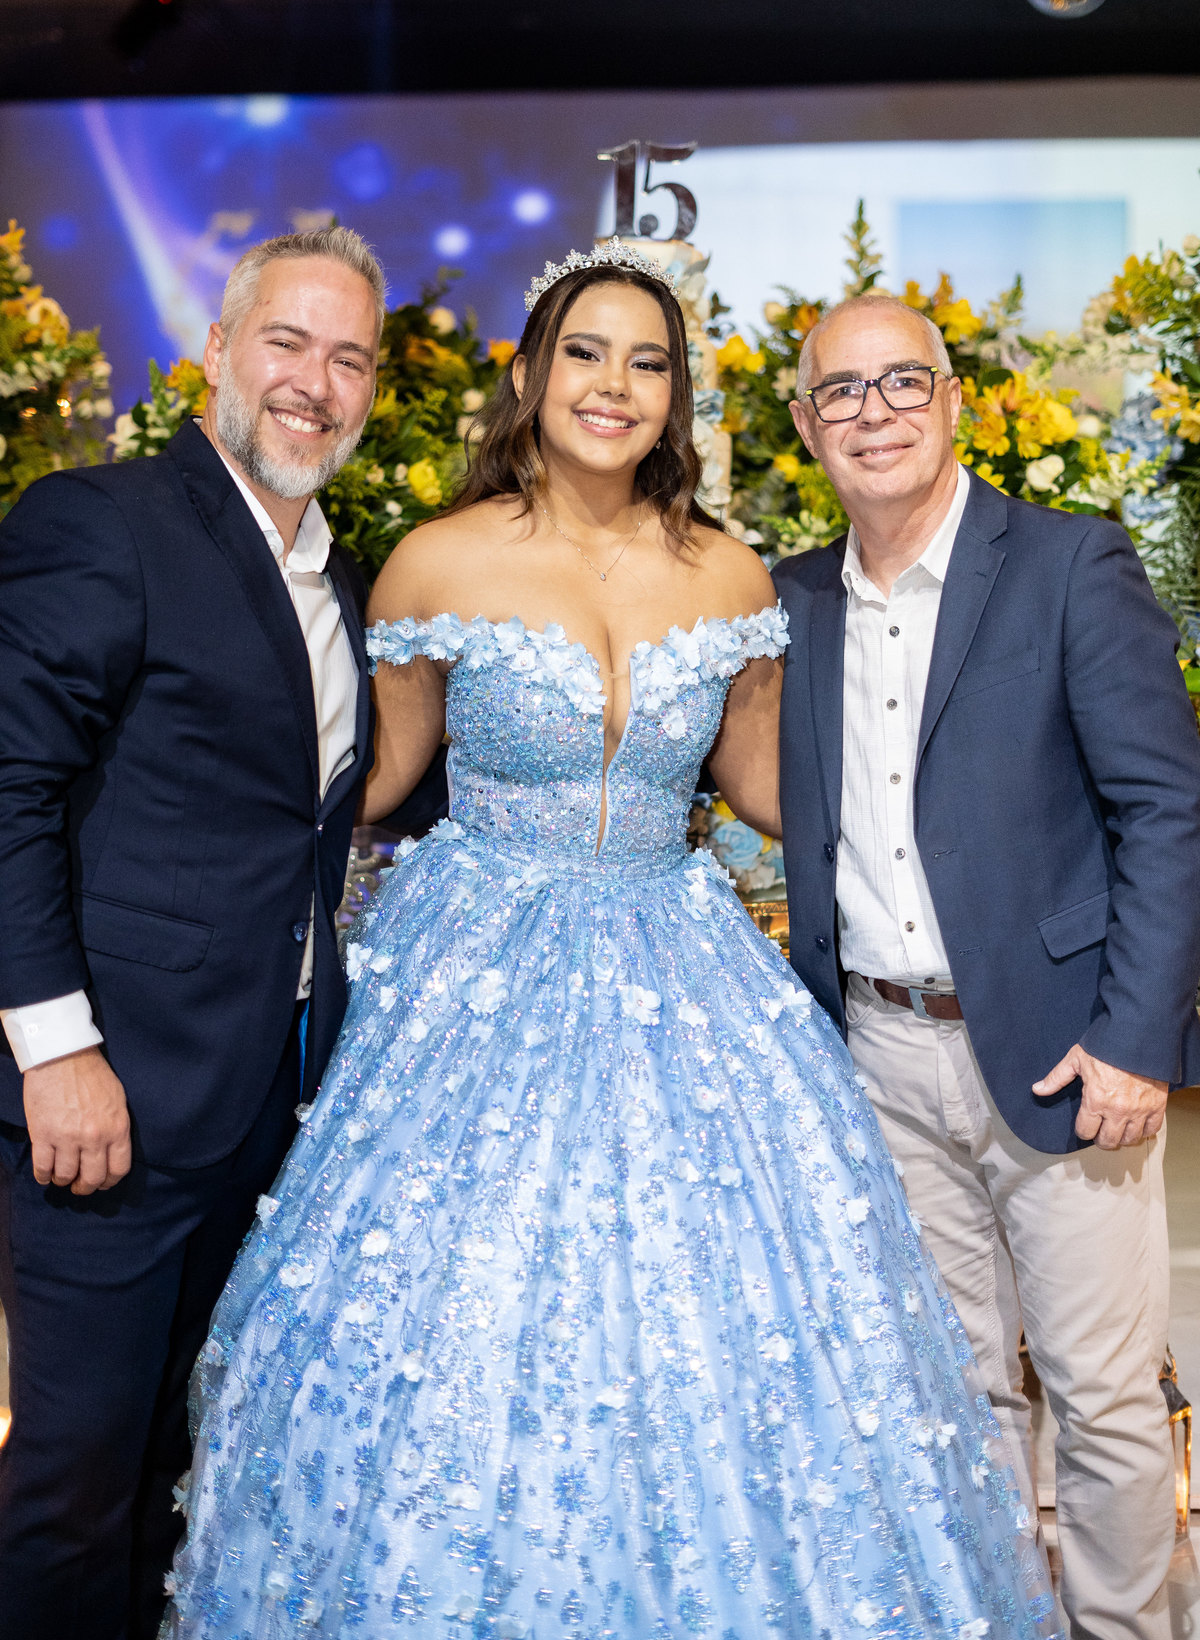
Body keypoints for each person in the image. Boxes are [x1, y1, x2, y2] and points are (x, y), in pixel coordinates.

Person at [164, 244, 1059, 1640]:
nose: (615, 385)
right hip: (473, 980)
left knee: (725, 1324)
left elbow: (773, 788)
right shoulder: (436, 560)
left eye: (648, 362)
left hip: (682, 970)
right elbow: (373, 777)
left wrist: (985, 763)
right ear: (532, 374)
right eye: (586, 352)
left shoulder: (729, 572)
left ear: (674, 397)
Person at [775, 292, 1200, 1640]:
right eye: (841, 392)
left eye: (903, 381)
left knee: (1104, 1397)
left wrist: (1136, 1039)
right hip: (879, 1059)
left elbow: (1169, 809)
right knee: (956, 1396)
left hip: (1067, 1050)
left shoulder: (1070, 564)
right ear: (805, 426)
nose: (875, 413)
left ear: (953, 399)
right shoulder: (790, 601)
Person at [0, 226, 387, 1640]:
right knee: (71, 1486)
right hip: (106, 1102)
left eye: (348, 358)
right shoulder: (102, 522)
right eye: (286, 341)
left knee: (180, 1474)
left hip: (261, 1107)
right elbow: (8, 784)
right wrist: (57, 1050)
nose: (313, 383)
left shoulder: (343, 581)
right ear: (217, 351)